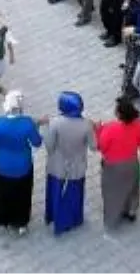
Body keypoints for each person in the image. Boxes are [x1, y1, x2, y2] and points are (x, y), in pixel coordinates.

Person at [0, 90, 44, 234]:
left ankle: (0, 220)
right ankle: (21, 222)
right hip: (22, 166)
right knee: (22, 194)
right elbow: (37, 142)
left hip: (1, 164)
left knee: (0, 193)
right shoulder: (27, 123)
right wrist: (38, 126)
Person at [43, 91, 96, 236]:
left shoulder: (55, 123)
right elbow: (93, 146)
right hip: (77, 167)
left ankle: (54, 217)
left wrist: (45, 129)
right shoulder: (86, 125)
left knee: (56, 193)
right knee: (74, 195)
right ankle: (72, 220)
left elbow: (49, 146)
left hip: (57, 166)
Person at [95, 96, 140, 228]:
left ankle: (113, 217)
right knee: (132, 188)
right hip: (131, 163)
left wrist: (97, 130)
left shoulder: (109, 128)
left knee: (112, 191)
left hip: (113, 166)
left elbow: (100, 146)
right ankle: (131, 211)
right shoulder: (138, 125)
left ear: (119, 114)